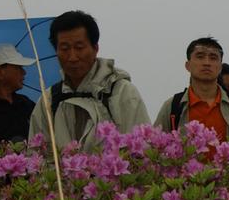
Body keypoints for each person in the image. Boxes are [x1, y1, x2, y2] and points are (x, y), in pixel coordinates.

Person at [28, 10, 150, 149]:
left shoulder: (122, 92)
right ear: (56, 50)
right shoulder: (48, 101)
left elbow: (140, 149)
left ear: (95, 48)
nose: (72, 57)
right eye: (65, 48)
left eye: (79, 48)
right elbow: (37, 156)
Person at [153, 38, 229, 169]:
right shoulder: (173, 106)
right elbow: (153, 149)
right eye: (200, 57)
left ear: (220, 67)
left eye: (213, 58)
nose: (207, 63)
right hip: (186, 187)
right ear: (188, 65)